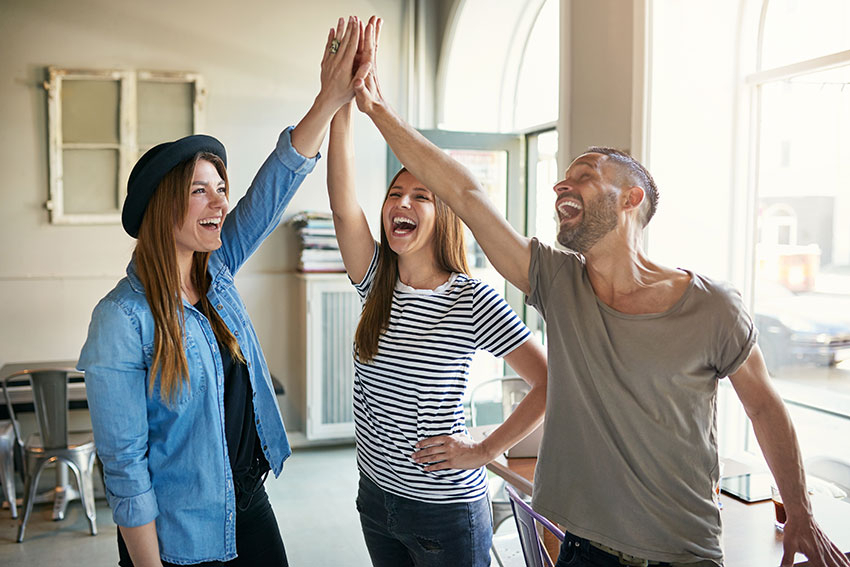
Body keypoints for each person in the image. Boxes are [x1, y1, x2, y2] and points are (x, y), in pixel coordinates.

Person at [348, 26, 850, 567]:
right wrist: (374, 110)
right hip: (583, 551)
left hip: (683, 555)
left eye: (583, 176)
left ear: (631, 198)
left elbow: (764, 406)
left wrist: (798, 511)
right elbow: (465, 194)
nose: (563, 186)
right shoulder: (557, 284)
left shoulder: (714, 308)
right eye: (561, 180)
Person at [77, 17, 370, 567]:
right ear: (164, 208)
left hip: (250, 503)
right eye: (199, 191)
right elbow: (125, 469)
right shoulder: (121, 319)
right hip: (179, 533)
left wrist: (330, 99)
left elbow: (273, 187)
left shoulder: (219, 272)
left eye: (221, 189)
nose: (219, 203)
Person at [325, 17, 547, 567]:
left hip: (444, 514)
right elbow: (340, 198)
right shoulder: (377, 280)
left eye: (421, 196)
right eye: (395, 193)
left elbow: (550, 382)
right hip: (375, 500)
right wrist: (338, 100)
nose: (401, 203)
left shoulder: (472, 299)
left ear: (444, 216)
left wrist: (485, 450)